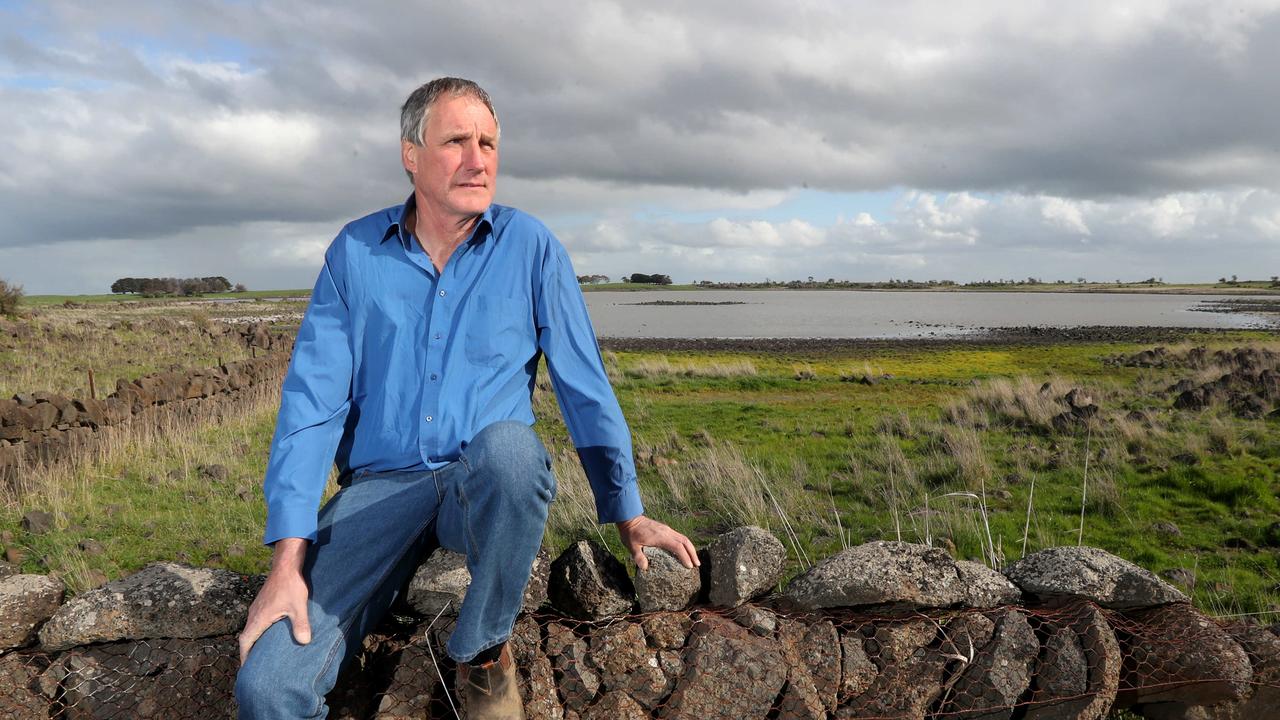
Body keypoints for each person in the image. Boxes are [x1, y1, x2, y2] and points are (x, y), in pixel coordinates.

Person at [233, 77, 698, 720]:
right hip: (379, 491)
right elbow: (312, 404)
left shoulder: (531, 247)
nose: (478, 160)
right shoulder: (354, 253)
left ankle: (480, 654)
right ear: (411, 155)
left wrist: (628, 512)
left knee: (510, 449)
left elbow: (583, 387)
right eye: (456, 141)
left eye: (488, 143)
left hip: (480, 484)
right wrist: (288, 560)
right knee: (267, 686)